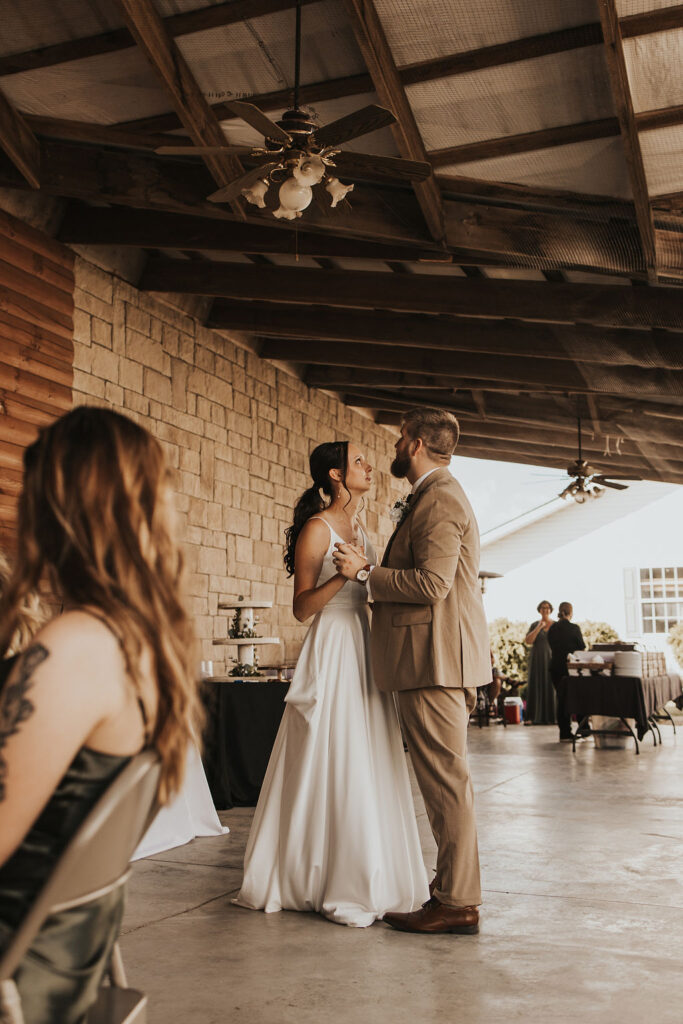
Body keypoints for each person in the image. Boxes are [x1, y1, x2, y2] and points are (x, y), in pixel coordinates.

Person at [0, 406, 201, 1024]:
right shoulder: (142, 645)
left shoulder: (75, 648)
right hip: (68, 965)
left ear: (58, 508)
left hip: (22, 974)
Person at [235, 441, 428, 927]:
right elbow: (301, 608)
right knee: (331, 748)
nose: (369, 467)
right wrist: (345, 578)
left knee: (367, 750)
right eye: (360, 462)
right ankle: (317, 875)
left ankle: (369, 867)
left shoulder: (361, 527)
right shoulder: (316, 529)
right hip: (333, 645)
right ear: (337, 475)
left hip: (363, 643)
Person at [334, 407, 490, 936]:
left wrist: (366, 573)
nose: (396, 447)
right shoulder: (432, 495)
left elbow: (432, 585)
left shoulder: (441, 498)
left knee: (446, 785)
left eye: (401, 438)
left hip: (434, 661)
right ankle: (453, 894)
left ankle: (457, 901)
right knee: (445, 783)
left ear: (418, 443)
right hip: (431, 659)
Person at [547, 601, 586, 741]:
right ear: (571, 613)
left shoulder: (552, 629)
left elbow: (552, 646)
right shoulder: (574, 628)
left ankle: (564, 732)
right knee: (580, 697)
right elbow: (581, 647)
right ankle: (584, 728)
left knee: (562, 699)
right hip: (570, 668)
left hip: (555, 668)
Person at [524, 601, 556, 725]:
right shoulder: (534, 625)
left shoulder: (555, 625)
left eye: (548, 608)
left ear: (550, 610)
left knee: (551, 686)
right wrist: (539, 627)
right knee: (536, 685)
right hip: (537, 660)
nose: (545, 610)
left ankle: (552, 717)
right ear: (539, 610)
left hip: (551, 658)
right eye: (543, 608)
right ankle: (533, 717)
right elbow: (528, 641)